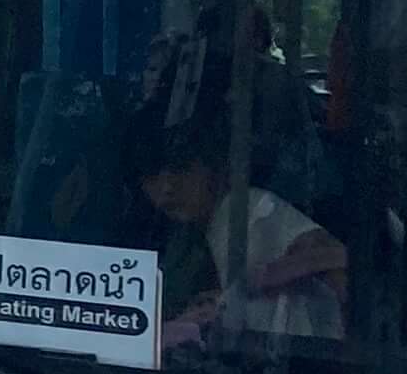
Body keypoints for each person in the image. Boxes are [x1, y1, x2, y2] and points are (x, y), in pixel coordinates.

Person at [131, 118, 347, 348]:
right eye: (152, 176)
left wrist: (261, 279)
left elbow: (335, 258)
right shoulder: (186, 235)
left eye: (182, 170)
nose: (167, 188)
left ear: (216, 167)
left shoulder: (250, 210)